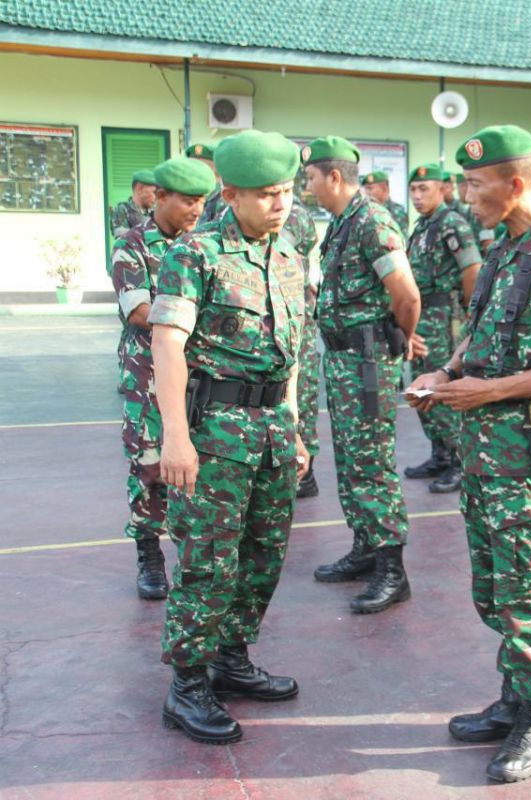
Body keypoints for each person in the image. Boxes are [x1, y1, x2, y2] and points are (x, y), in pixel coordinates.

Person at [407, 124, 531, 782]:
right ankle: (515, 696)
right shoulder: (504, 248)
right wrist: (445, 372)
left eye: (475, 184)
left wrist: (492, 389)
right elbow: (482, 329)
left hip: (529, 455)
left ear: (516, 185)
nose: (466, 196)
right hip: (486, 450)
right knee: (497, 588)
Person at [149, 130, 310, 745]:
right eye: (267, 194)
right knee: (208, 561)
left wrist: (293, 430)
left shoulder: (289, 254)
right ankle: (187, 684)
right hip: (214, 434)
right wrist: (175, 437)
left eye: (288, 191)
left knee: (263, 555)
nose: (280, 204)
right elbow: (168, 344)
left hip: (270, 431)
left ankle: (231, 658)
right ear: (230, 191)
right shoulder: (197, 253)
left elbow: (290, 355)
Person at [303, 136, 421, 614]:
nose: (306, 187)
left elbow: (406, 294)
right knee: (351, 459)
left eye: (310, 178)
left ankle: (392, 568)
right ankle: (366, 547)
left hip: (368, 360)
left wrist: (400, 337)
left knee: (371, 462)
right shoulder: (341, 223)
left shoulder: (372, 220)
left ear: (334, 176)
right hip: (344, 360)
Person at [110, 156, 214, 600]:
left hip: (200, 375)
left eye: (202, 202)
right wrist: (188, 316)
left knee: (200, 465)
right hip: (147, 377)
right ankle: (150, 554)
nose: (196, 210)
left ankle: (194, 554)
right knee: (150, 465)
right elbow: (137, 311)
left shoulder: (204, 245)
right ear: (160, 197)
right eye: (188, 201)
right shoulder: (131, 245)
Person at [404, 162, 482, 493]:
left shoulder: (452, 223)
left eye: (425, 189)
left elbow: (472, 268)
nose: (418, 196)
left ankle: (460, 461)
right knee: (421, 387)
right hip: (424, 316)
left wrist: (467, 314)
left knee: (443, 387)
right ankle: (439, 452)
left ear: (443, 190)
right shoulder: (424, 225)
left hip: (443, 317)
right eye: (414, 190)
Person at [281, 201, 323, 499]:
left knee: (302, 395)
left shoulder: (294, 213)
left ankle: (305, 474)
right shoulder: (220, 205)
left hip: (296, 318)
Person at [109, 170, 157, 244]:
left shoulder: (156, 212)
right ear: (139, 189)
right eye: (154, 192)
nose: (156, 197)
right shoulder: (123, 209)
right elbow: (123, 240)